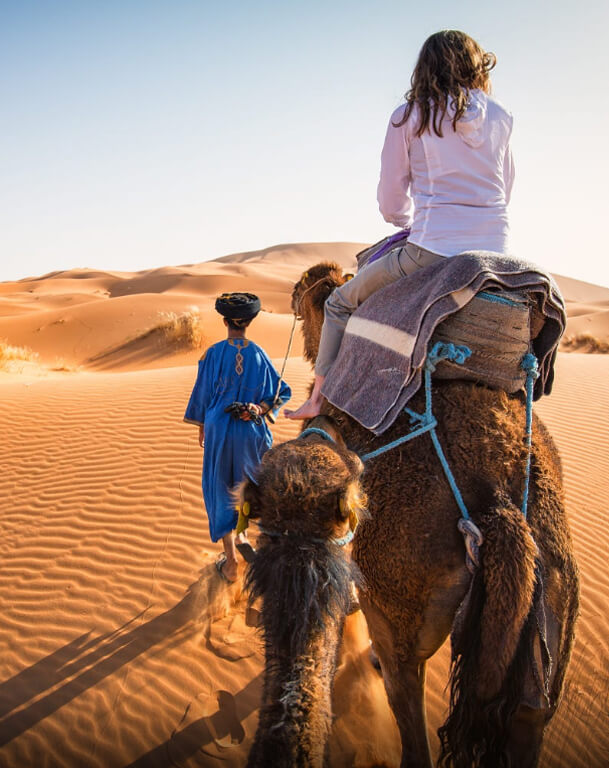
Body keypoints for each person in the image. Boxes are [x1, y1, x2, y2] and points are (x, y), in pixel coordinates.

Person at [287, 29, 513, 420]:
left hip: (433, 249)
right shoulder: (500, 117)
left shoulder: (409, 117)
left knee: (340, 302)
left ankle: (319, 399)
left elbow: (391, 198)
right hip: (496, 252)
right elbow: (505, 187)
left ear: (424, 69)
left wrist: (407, 221)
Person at [185, 292, 292, 582]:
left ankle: (231, 561)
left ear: (224, 321)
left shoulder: (212, 354)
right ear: (251, 321)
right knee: (251, 489)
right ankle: (252, 543)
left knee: (219, 488)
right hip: (252, 431)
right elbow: (283, 392)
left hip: (219, 430)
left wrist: (202, 426)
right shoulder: (259, 354)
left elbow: (202, 395)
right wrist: (260, 408)